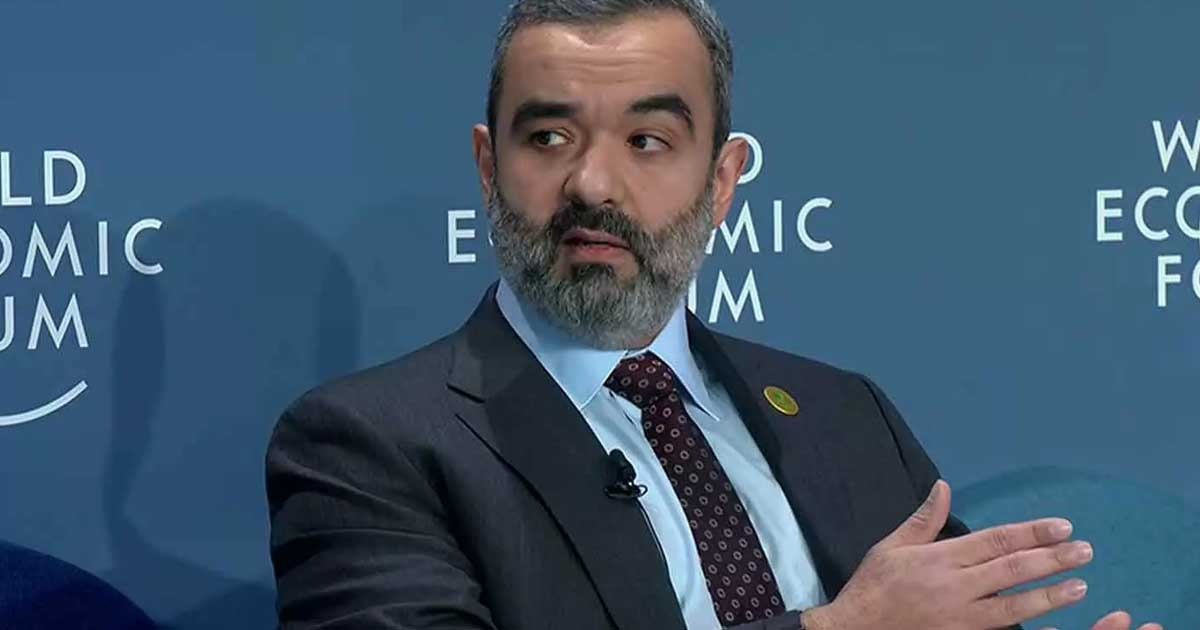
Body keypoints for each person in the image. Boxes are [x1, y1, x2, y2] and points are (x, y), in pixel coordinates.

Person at [265, 2, 1163, 629]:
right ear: (487, 167)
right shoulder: (370, 445)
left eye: (647, 141)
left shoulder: (846, 415)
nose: (593, 183)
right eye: (548, 137)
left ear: (724, 180)